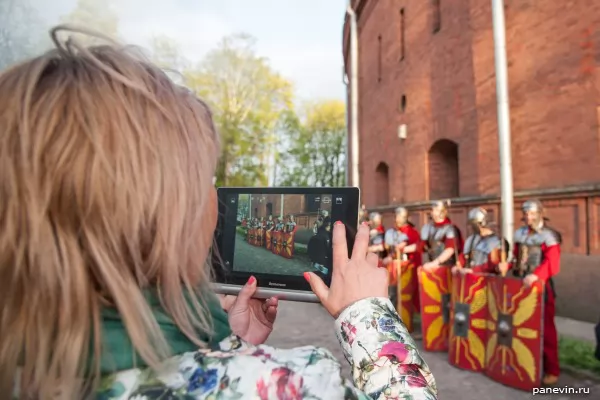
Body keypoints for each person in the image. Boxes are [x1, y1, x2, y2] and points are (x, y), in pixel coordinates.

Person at [0, 26, 437, 399]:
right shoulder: (294, 383)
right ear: (171, 215)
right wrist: (365, 313)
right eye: (208, 180)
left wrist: (227, 351)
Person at [498, 200, 561, 386]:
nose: (528, 217)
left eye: (532, 214)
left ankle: (552, 369)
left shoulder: (549, 236)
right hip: (520, 287)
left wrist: (536, 276)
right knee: (520, 327)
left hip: (540, 286)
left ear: (541, 213)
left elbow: (552, 264)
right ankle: (524, 364)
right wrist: (506, 265)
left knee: (545, 330)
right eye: (526, 214)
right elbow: (517, 258)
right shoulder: (520, 233)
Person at [383, 207, 422, 339]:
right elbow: (390, 249)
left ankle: (405, 324)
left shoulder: (412, 232)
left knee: (405, 297)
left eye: (399, 216)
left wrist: (404, 249)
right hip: (394, 268)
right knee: (392, 295)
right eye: (396, 216)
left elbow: (418, 247)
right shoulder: (393, 231)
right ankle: (392, 324)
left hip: (406, 269)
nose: (397, 219)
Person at [453, 207, 504, 275]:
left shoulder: (494, 241)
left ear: (482, 223)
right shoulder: (471, 239)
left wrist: (474, 270)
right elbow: (465, 256)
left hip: (486, 279)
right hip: (470, 277)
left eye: (474, 224)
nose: (471, 227)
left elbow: (493, 264)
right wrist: (458, 265)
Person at [420, 201, 463, 271]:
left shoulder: (450, 229)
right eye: (432, 210)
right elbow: (420, 245)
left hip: (446, 267)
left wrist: (435, 263)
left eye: (435, 210)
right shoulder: (428, 228)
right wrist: (403, 249)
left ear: (442, 212)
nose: (432, 212)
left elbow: (450, 249)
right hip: (432, 266)